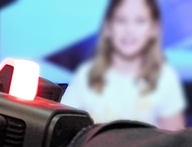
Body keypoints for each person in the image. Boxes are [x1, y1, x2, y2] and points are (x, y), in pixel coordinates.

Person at [61, 0, 186, 130]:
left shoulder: (165, 77)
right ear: (108, 27)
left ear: (154, 28)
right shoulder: (86, 75)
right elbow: (65, 129)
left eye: (140, 21)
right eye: (121, 20)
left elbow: (174, 138)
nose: (129, 30)